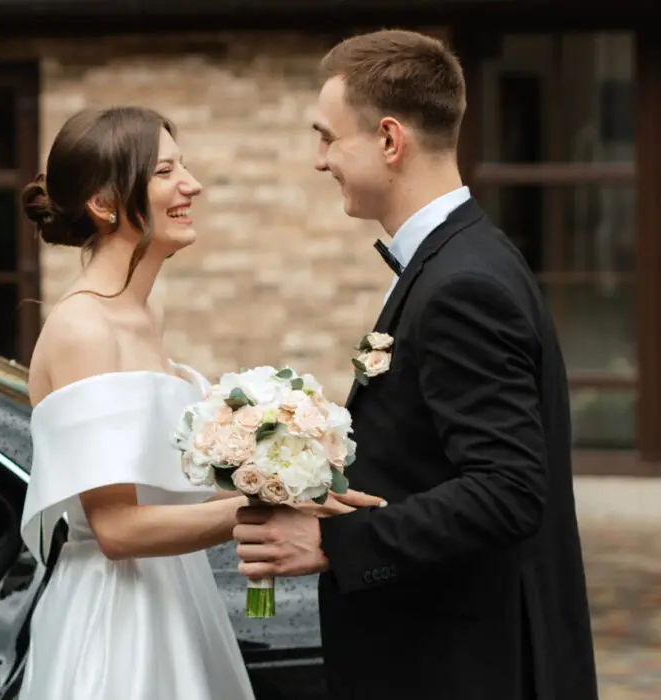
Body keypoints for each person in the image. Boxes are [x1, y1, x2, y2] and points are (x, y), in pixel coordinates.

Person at [231, 29, 599, 700]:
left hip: (459, 666)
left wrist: (334, 544)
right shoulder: (461, 259)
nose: (319, 161)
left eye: (328, 137)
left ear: (389, 140)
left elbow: (508, 488)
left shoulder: (464, 284)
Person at [18, 106, 255, 700]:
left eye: (185, 167)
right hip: (116, 616)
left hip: (176, 596)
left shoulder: (147, 312)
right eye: (166, 171)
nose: (191, 185)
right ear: (104, 203)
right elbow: (117, 529)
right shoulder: (83, 328)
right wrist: (257, 509)